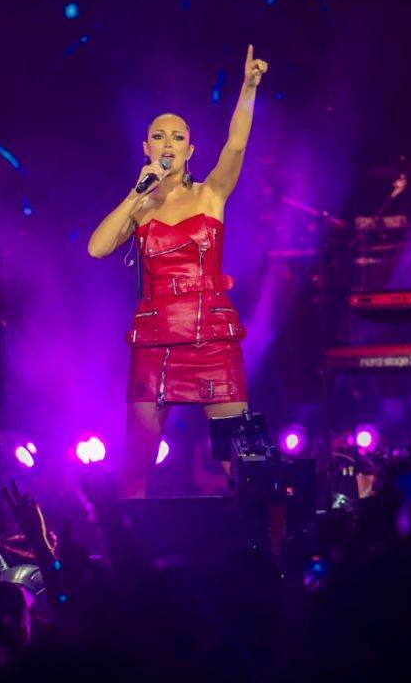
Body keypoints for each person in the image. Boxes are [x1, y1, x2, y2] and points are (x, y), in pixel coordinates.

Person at [88, 45, 268, 498]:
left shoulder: (211, 194)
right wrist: (136, 194)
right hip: (156, 341)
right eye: (159, 136)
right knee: (137, 463)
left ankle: (254, 539)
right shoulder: (140, 207)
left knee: (240, 460)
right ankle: (131, 540)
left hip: (212, 336)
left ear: (190, 149)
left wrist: (248, 88)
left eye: (177, 137)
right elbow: (96, 248)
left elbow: (237, 145)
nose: (168, 144)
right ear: (146, 147)